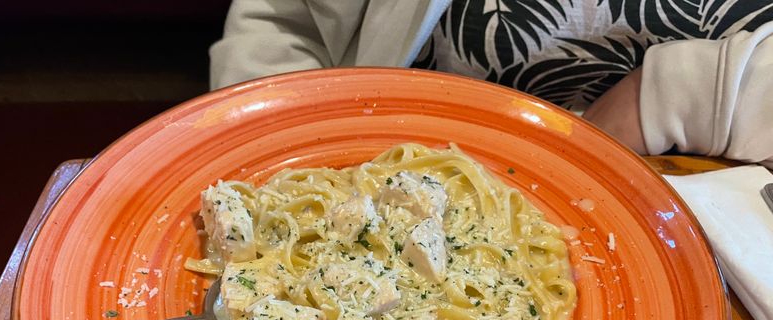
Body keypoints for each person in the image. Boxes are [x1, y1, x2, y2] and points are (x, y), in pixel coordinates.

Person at [210, 0, 773, 167]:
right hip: (364, 163)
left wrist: (694, 90)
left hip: (714, 180)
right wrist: (272, 159)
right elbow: (285, 24)